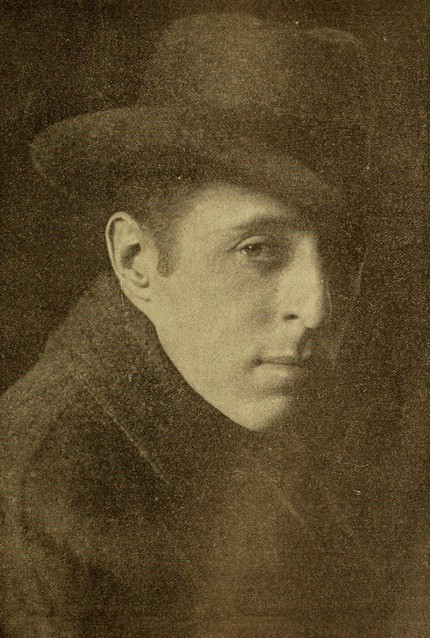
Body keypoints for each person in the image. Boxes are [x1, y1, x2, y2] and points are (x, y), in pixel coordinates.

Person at [0, 12, 385, 638]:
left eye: (339, 253)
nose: (316, 307)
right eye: (258, 249)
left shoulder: (272, 427)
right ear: (137, 261)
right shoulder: (41, 501)